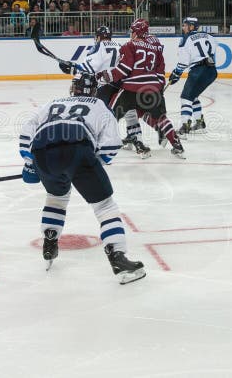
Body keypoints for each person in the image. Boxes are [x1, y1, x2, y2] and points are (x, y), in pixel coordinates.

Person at [19, 73, 146, 285]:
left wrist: (29, 160)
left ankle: (50, 241)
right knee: (105, 206)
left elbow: (28, 130)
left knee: (56, 197)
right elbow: (112, 143)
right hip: (78, 145)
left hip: (42, 148)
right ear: (94, 90)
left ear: (73, 88)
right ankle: (118, 258)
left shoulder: (54, 102)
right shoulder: (99, 104)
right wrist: (93, 162)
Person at [97, 19, 184, 158]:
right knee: (161, 118)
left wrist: (106, 77)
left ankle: (101, 143)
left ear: (136, 32)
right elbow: (160, 70)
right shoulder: (155, 47)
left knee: (111, 113)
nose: (130, 33)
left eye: (132, 31)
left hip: (131, 88)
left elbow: (124, 69)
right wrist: (159, 88)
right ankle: (177, 144)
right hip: (153, 88)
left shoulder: (129, 45)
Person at [62, 25, 150, 158]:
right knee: (130, 111)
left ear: (98, 37)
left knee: (99, 114)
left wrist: (72, 68)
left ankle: (93, 143)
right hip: (124, 84)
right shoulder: (120, 45)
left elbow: (89, 68)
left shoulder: (98, 46)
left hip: (106, 85)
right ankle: (138, 142)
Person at [168, 17, 217, 135]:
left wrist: (176, 73)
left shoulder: (185, 39)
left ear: (191, 26)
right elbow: (213, 49)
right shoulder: (209, 36)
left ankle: (185, 126)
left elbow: (183, 62)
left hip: (198, 71)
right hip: (212, 71)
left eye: (185, 25)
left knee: (185, 97)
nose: (183, 28)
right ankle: (199, 123)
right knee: (193, 96)